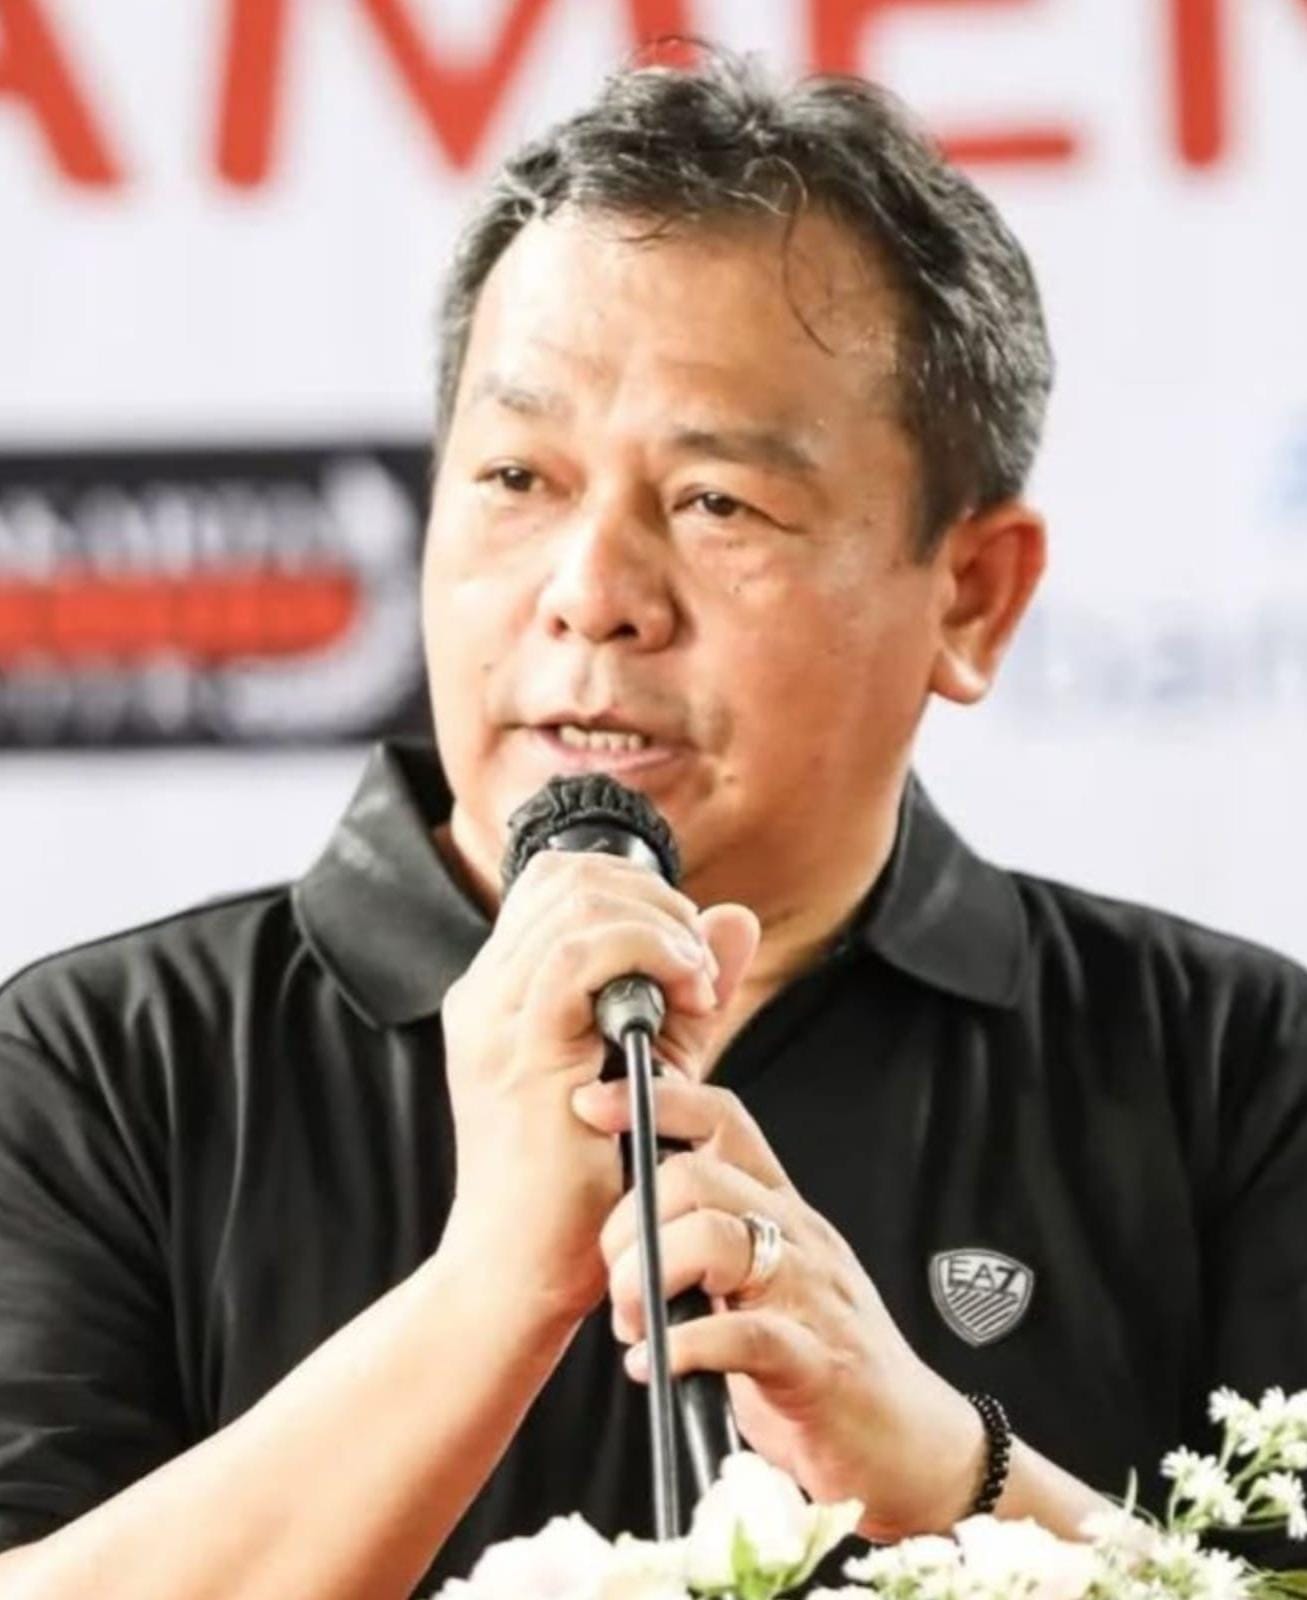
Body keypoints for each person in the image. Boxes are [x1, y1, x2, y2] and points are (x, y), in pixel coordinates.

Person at [0, 48, 1304, 1600]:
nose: (593, 594)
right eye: (516, 476)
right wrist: (490, 1292)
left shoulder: (1234, 1069)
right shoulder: (100, 1068)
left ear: (969, 594)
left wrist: (959, 1476)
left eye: (715, 503)